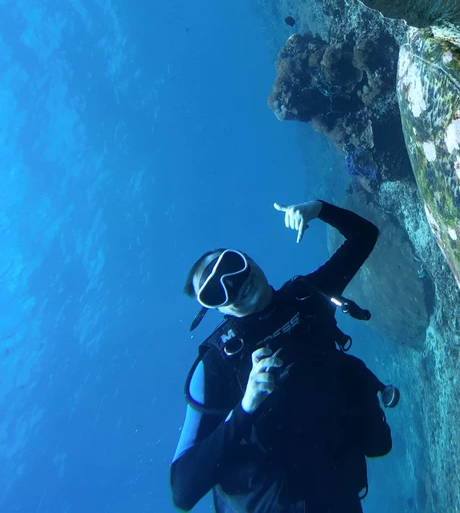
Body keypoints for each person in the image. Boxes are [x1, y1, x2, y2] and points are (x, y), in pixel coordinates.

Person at [170, 199, 399, 513]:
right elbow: (182, 490)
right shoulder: (218, 365)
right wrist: (246, 407)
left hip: (334, 487)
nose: (234, 284)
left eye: (231, 266)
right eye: (216, 291)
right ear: (219, 309)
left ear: (249, 259)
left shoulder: (306, 297)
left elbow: (364, 236)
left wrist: (318, 209)